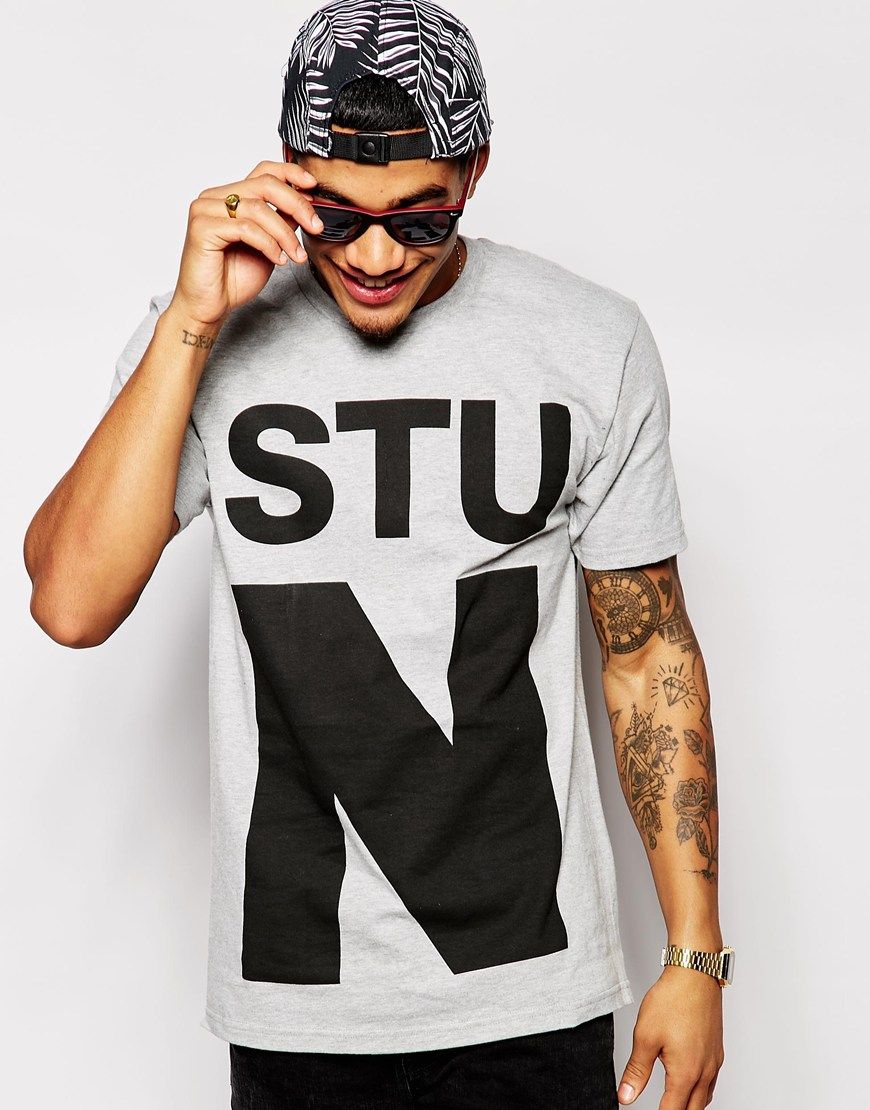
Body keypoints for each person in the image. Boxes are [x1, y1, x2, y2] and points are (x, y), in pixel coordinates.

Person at [23, 1, 731, 1107]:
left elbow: (648, 658)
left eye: (419, 217)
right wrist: (193, 322)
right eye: (336, 214)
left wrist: (695, 954)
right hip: (298, 1005)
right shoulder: (199, 340)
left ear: (476, 172)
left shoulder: (590, 341)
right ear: (285, 173)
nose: (373, 255)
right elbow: (69, 602)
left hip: (529, 997)